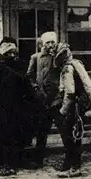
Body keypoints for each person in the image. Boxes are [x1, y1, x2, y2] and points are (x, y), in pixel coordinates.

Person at [0, 37, 38, 176]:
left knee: (19, 135)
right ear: (3, 52)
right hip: (2, 107)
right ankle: (1, 164)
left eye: (13, 53)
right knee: (3, 136)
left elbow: (25, 84)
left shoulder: (20, 64)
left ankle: (17, 160)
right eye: (8, 53)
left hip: (19, 106)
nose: (11, 56)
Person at [53, 43, 91, 177]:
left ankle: (73, 166)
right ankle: (73, 165)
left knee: (70, 136)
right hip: (79, 104)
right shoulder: (76, 63)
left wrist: (62, 111)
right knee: (76, 135)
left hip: (73, 106)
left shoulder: (66, 69)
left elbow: (69, 92)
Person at [27, 31, 61, 168]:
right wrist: (35, 88)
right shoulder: (36, 57)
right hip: (42, 99)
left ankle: (70, 159)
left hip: (57, 99)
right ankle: (38, 159)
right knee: (42, 131)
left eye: (53, 42)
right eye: (48, 42)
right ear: (42, 43)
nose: (51, 45)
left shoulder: (59, 57)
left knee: (63, 129)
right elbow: (29, 75)